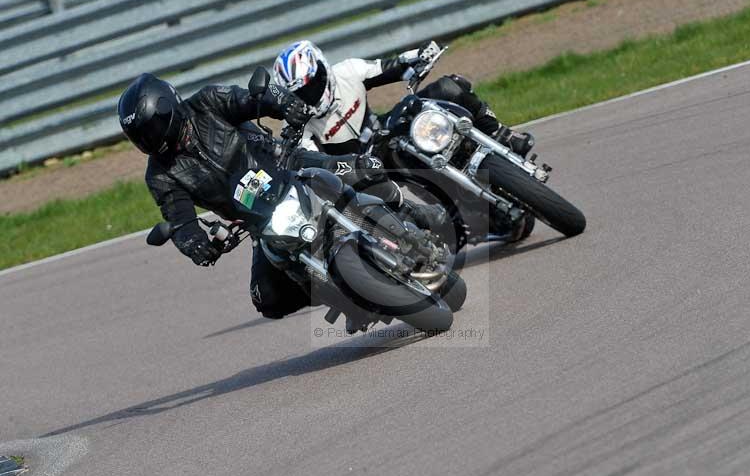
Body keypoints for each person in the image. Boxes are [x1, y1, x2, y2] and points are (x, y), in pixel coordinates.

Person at [118, 72, 418, 319]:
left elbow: (252, 99)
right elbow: (179, 218)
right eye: (141, 136)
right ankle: (344, 295)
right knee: (267, 299)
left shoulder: (208, 103)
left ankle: (410, 216)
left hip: (290, 165)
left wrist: (286, 105)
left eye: (152, 128)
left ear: (167, 106)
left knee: (365, 170)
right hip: (259, 218)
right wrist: (193, 243)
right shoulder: (160, 175)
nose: (150, 139)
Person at [272, 40, 535, 158]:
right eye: (301, 90)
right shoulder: (296, 123)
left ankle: (502, 135)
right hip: (361, 174)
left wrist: (417, 56)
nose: (310, 92)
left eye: (312, 81)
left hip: (386, 132)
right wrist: (292, 138)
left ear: (322, 67)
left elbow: (392, 67)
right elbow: (310, 165)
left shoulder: (347, 71)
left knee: (451, 87)